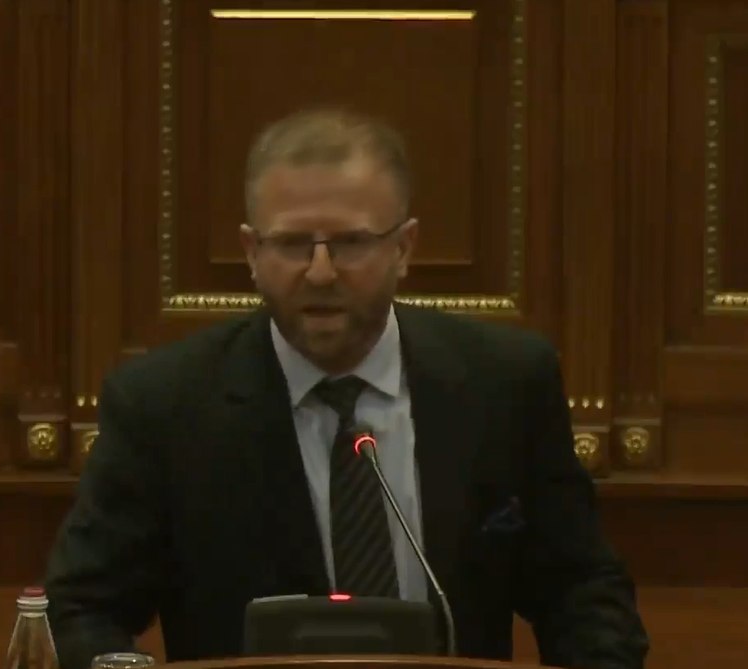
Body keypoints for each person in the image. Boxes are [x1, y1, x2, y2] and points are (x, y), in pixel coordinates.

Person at [44, 108, 649, 669]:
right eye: (291, 244)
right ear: (251, 252)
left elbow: (581, 591)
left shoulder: (504, 383)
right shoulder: (165, 405)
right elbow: (82, 609)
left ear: (404, 248)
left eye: (352, 243)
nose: (321, 272)